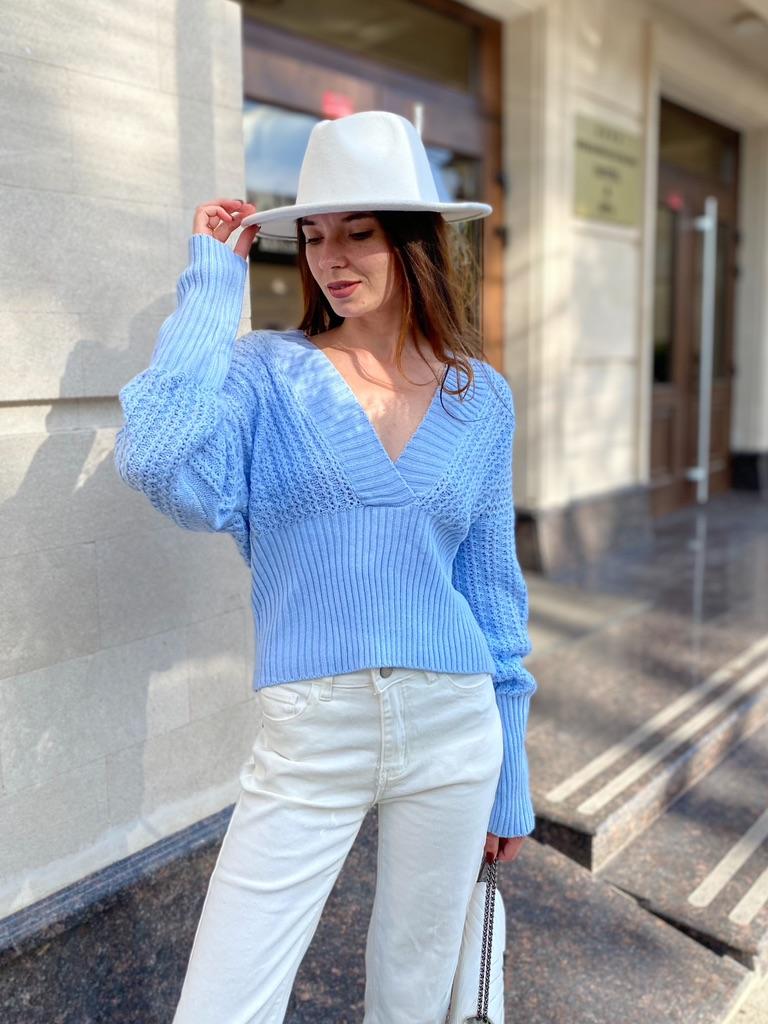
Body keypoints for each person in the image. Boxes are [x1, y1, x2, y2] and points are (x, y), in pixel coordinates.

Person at [114, 110, 538, 1024]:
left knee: (415, 991)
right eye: (313, 237)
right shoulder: (264, 375)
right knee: (224, 1002)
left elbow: (493, 592)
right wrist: (212, 281)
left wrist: (511, 779)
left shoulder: (480, 398)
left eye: (359, 233)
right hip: (313, 729)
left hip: (456, 726)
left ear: (415, 243)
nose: (331, 260)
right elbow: (154, 457)